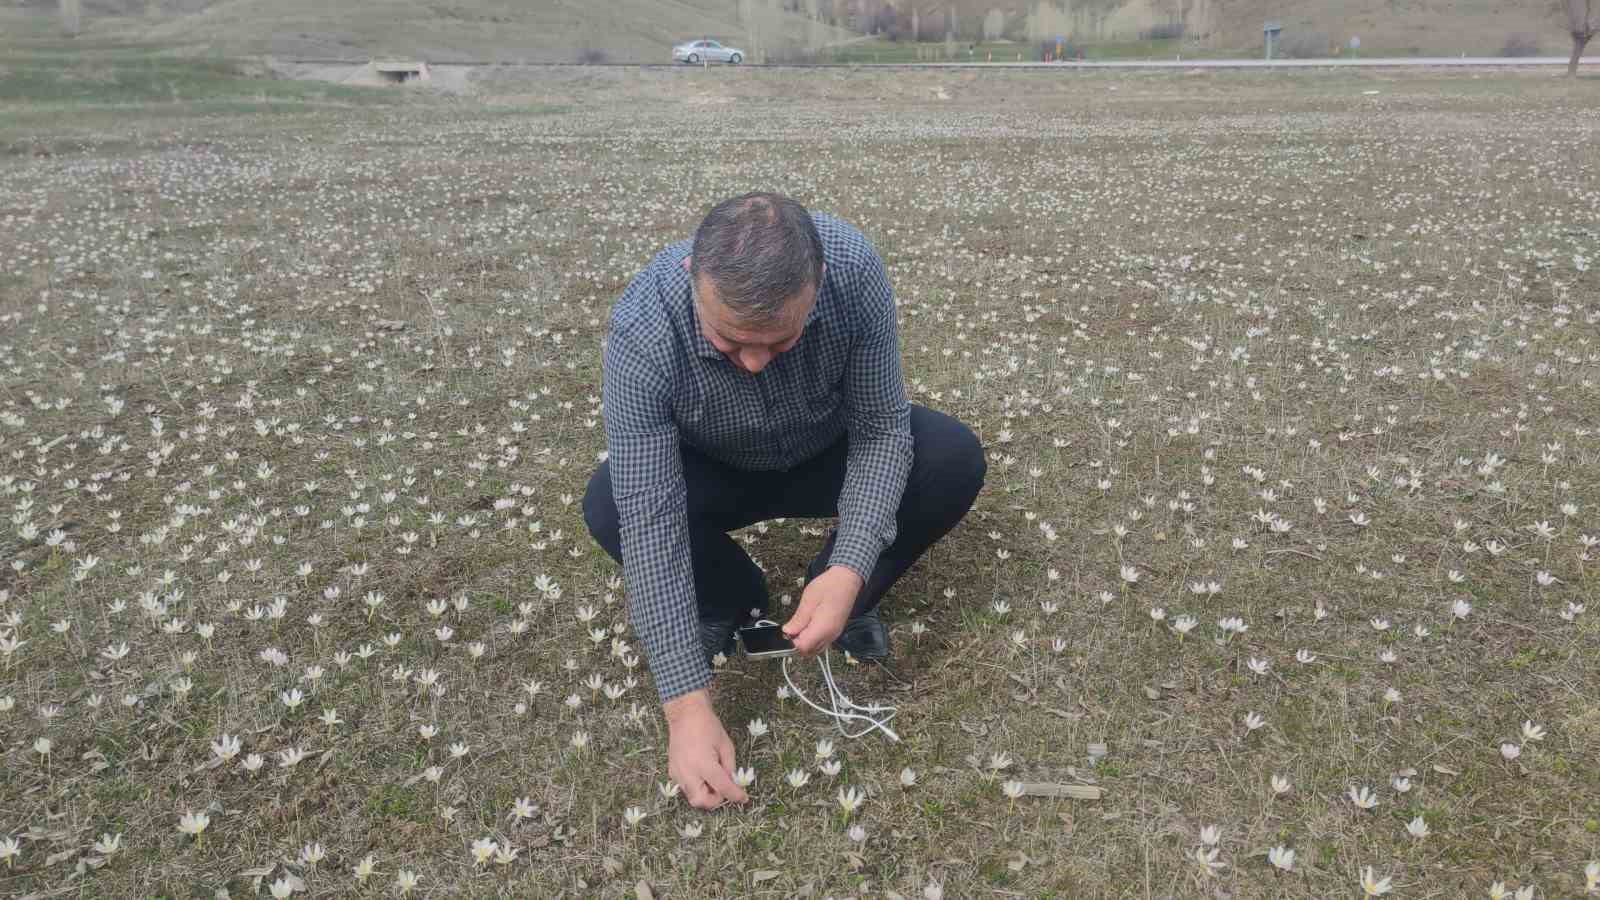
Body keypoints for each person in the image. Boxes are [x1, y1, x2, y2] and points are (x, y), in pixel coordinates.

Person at [582, 192, 985, 810]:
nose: (753, 362)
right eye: (729, 341)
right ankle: (730, 599)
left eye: (780, 341)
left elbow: (880, 430)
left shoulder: (854, 269)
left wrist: (850, 563)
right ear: (694, 276)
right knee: (611, 502)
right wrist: (686, 707)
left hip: (827, 445)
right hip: (711, 464)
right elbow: (650, 509)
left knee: (950, 457)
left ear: (817, 283)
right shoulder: (644, 325)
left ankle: (840, 598)